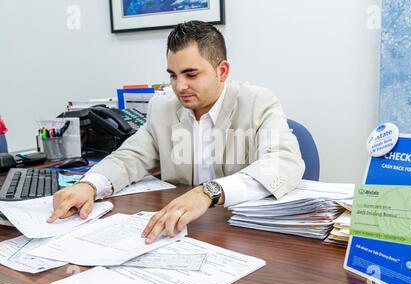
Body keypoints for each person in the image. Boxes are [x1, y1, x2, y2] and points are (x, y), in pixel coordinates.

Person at [49, 21, 305, 244]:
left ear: (222, 71)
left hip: (241, 234)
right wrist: (89, 185)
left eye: (191, 74)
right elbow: (128, 157)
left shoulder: (258, 102)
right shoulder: (162, 108)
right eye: (173, 75)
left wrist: (208, 192)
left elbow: (283, 163)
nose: (180, 87)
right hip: (178, 233)